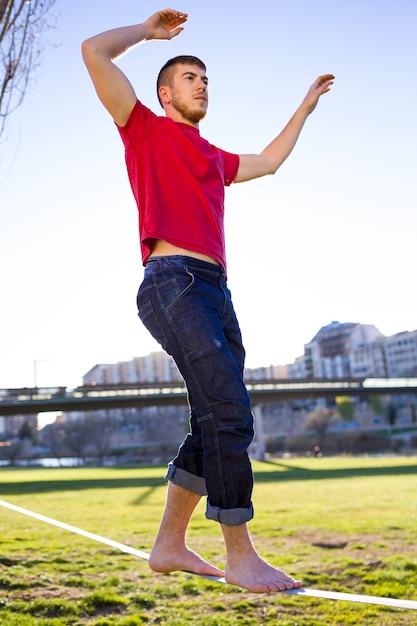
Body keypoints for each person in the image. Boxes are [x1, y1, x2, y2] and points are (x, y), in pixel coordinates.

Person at [82, 8, 334, 593]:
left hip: (215, 290)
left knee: (215, 417)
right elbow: (94, 51)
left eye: (206, 79)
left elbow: (268, 162)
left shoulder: (214, 158)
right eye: (190, 77)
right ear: (166, 92)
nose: (202, 84)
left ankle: (169, 545)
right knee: (231, 413)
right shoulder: (142, 127)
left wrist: (304, 107)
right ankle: (240, 555)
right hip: (173, 282)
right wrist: (148, 33)